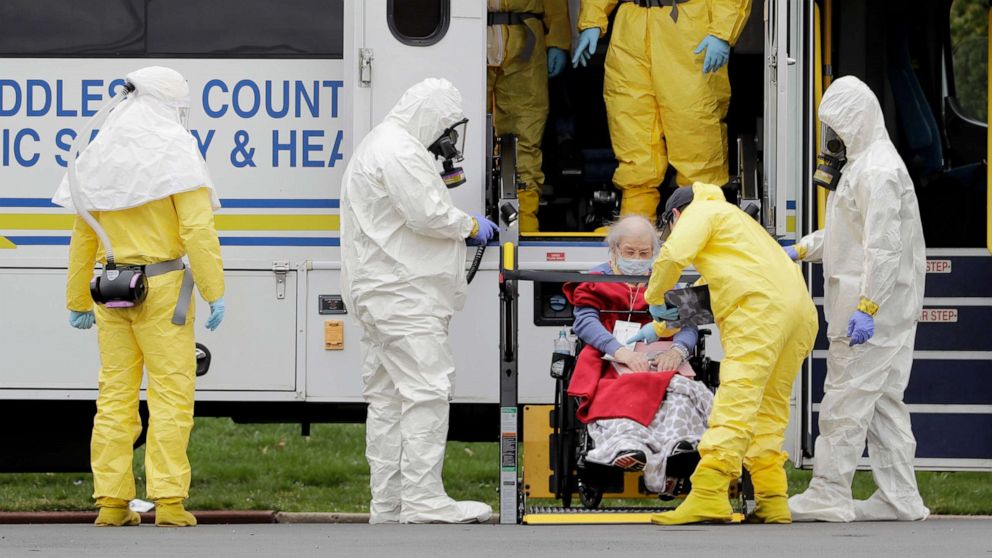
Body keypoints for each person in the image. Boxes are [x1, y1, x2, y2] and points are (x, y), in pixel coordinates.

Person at [55, 66, 225, 527]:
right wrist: (214, 290)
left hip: (111, 291)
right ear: (170, 103)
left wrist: (76, 300)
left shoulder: (101, 151)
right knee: (170, 397)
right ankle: (168, 503)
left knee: (114, 396)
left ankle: (112, 503)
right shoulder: (175, 150)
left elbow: (82, 235)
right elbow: (196, 229)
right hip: (164, 292)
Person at [340, 78, 498, 524]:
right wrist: (470, 226)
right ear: (432, 115)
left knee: (389, 400)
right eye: (446, 127)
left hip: (384, 294)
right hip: (403, 295)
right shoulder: (400, 150)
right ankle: (424, 499)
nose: (447, 138)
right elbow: (428, 214)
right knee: (427, 392)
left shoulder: (382, 144)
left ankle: (387, 505)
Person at [787, 76, 929, 522]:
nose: (833, 135)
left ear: (856, 118)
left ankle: (829, 492)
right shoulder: (866, 165)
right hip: (884, 306)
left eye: (837, 124)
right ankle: (900, 496)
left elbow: (883, 248)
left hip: (871, 309)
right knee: (884, 402)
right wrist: (802, 248)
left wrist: (868, 307)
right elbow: (852, 234)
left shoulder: (879, 171)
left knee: (845, 398)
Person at [642, 183, 818, 525]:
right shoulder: (738, 223)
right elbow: (722, 290)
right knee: (769, 408)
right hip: (798, 314)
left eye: (670, 225)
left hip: (759, 315)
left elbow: (673, 257)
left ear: (675, 215)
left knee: (735, 404)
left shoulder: (701, 212)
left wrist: (654, 297)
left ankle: (709, 493)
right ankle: (772, 498)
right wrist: (660, 328)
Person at [563, 216, 712, 491]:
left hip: (662, 359)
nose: (637, 258)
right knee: (617, 393)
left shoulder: (668, 278)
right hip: (611, 358)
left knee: (679, 394)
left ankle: (678, 447)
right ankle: (627, 446)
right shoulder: (596, 279)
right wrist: (619, 351)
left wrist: (679, 351)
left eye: (644, 253)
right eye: (629, 252)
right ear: (614, 249)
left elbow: (690, 323)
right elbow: (584, 321)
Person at [572, 0, 751, 223]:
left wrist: (722, 32)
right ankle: (636, 229)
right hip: (631, 28)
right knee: (632, 131)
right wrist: (592, 20)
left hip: (688, 29)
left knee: (694, 131)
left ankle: (699, 225)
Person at [487, 0, 570, 232]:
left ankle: (522, 225)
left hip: (525, 41)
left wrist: (558, 41)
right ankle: (466, 216)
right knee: (465, 135)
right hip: (463, 34)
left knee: (526, 136)